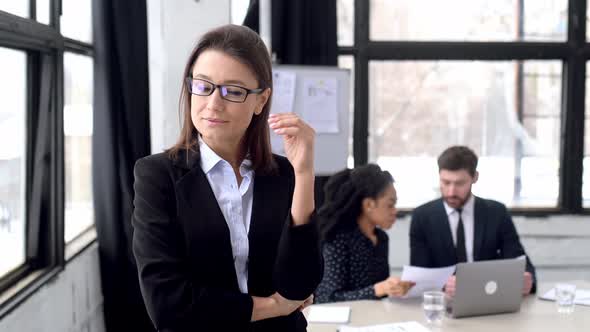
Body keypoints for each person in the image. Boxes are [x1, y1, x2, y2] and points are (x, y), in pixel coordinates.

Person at [131, 24, 323, 332]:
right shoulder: (157, 176)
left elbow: (301, 284)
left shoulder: (284, 174)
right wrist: (273, 306)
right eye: (203, 86)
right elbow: (167, 305)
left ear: (261, 100)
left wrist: (304, 173)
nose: (213, 104)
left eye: (233, 91)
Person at [410, 146, 537, 297]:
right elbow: (420, 275)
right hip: (444, 303)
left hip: (489, 300)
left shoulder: (496, 212)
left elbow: (519, 260)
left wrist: (527, 280)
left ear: (475, 177)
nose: (451, 191)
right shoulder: (422, 217)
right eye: (445, 182)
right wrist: (446, 286)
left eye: (459, 183)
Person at [315, 164, 414, 303]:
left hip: (372, 318)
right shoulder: (338, 239)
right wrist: (378, 289)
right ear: (368, 205)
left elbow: (381, 290)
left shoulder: (381, 238)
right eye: (390, 205)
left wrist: (395, 287)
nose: (394, 211)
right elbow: (328, 298)